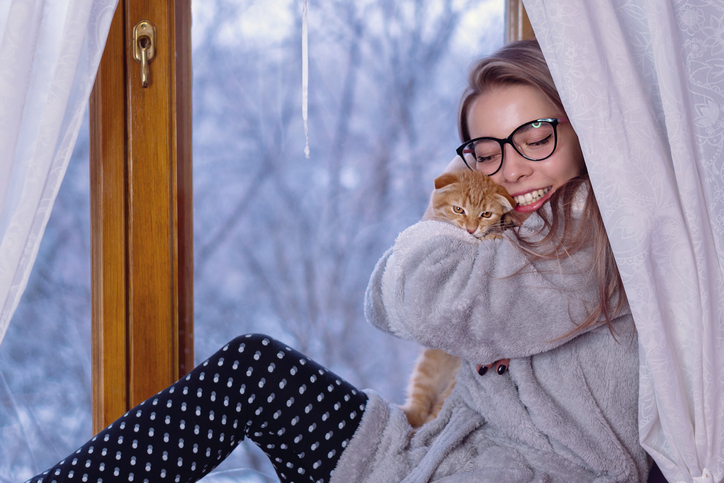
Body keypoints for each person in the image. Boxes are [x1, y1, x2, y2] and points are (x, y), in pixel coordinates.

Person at [26, 39, 649, 483]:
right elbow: (381, 299)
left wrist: (444, 211)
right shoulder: (525, 225)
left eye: (537, 137)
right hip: (423, 459)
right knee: (254, 367)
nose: (513, 168)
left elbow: (418, 299)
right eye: (487, 152)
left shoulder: (600, 229)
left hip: (518, 473)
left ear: (581, 127)